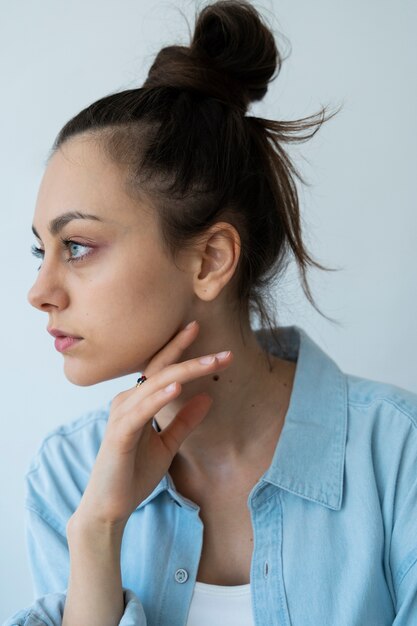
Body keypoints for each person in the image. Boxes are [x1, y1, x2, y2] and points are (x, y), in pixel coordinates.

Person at [4, 1, 417, 625]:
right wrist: (98, 531)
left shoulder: (398, 454)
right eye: (43, 251)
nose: (40, 291)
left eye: (78, 246)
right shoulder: (67, 478)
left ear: (211, 259)